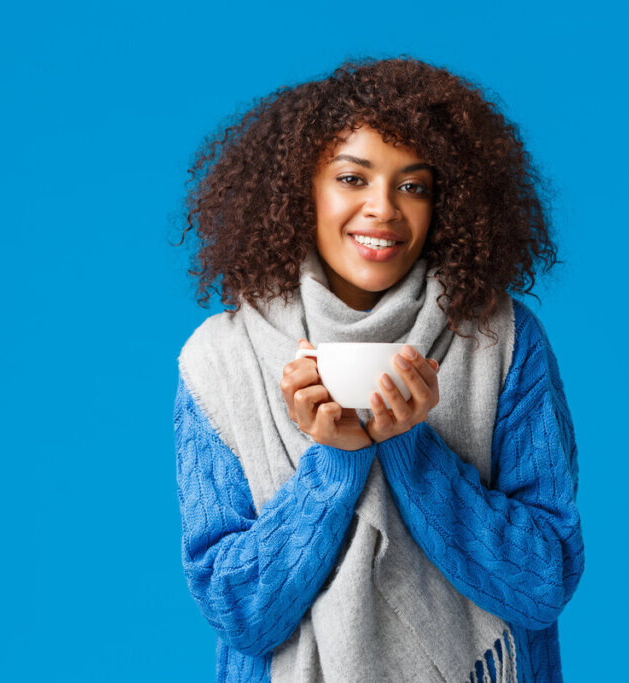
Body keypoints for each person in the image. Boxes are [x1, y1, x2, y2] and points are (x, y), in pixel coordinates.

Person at [173, 56, 584, 683]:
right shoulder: (219, 362)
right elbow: (242, 613)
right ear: (300, 188)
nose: (383, 209)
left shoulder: (502, 338)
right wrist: (333, 465)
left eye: (413, 185)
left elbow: (542, 581)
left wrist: (410, 448)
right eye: (351, 178)